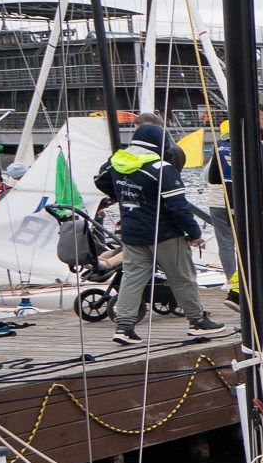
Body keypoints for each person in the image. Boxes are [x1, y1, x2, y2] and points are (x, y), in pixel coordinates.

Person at [95, 117, 222, 346]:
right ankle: (196, 321)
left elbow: (100, 181)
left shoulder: (116, 162)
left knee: (133, 280)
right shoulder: (161, 168)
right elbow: (178, 207)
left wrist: (120, 195)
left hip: (132, 233)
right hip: (163, 234)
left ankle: (124, 327)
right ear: (160, 145)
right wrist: (194, 232)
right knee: (182, 278)